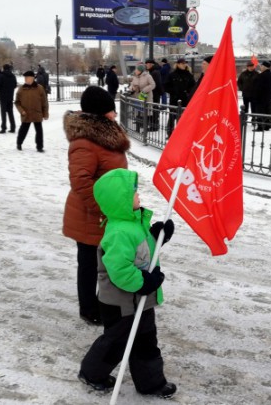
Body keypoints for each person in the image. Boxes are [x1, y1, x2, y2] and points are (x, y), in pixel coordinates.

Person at [78, 168, 177, 399]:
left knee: (145, 342)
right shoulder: (119, 232)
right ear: (120, 201)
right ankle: (91, 373)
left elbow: (142, 254)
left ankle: (151, 383)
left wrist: (157, 236)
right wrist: (143, 282)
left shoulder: (133, 224)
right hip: (121, 303)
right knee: (116, 343)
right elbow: (120, 269)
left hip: (140, 299)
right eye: (133, 193)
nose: (138, 196)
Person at [63, 86, 130, 326]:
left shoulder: (106, 134)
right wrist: (105, 208)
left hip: (110, 212)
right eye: (110, 110)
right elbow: (81, 182)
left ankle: (107, 304)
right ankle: (89, 309)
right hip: (91, 214)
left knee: (108, 261)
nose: (114, 114)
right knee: (90, 264)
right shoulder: (84, 142)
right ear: (99, 113)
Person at [15, 71, 49, 152]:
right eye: (25, 78)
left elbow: (44, 102)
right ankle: (19, 143)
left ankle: (39, 147)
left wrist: (45, 113)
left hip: (37, 113)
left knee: (39, 131)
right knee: (23, 130)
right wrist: (21, 111)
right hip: (26, 114)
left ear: (32, 78)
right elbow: (17, 102)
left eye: (27, 77)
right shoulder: (21, 89)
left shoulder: (39, 88)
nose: (25, 79)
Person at [163, 58, 195, 137]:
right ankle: (170, 134)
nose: (184, 65)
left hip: (185, 100)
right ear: (178, 64)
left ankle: (180, 135)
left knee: (183, 119)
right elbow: (165, 86)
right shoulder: (172, 75)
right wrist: (173, 91)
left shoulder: (189, 75)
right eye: (182, 63)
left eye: (185, 63)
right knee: (172, 117)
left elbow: (193, 87)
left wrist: (188, 93)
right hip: (174, 99)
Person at [130, 64, 156, 131]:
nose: (135, 71)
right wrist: (132, 88)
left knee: (145, 113)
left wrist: (144, 90)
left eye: (137, 70)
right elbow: (131, 85)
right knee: (138, 112)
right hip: (137, 96)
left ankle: (145, 129)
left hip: (146, 96)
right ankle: (138, 128)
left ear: (140, 70)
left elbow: (153, 85)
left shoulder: (148, 76)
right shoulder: (135, 76)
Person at [252, 61, 271, 131]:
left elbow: (258, 87)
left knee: (260, 112)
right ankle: (267, 126)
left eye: (261, 66)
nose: (260, 67)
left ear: (264, 67)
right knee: (266, 111)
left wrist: (255, 96)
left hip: (260, 97)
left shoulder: (262, 75)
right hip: (267, 97)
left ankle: (260, 126)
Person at [0, 64, 17, 133]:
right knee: (10, 112)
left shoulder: (1, 76)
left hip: (2, 97)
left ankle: (3, 128)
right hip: (10, 96)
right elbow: (15, 85)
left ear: (3, 68)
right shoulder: (13, 76)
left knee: (3, 113)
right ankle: (13, 127)